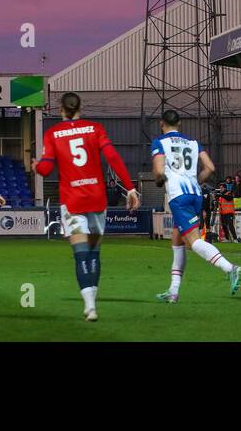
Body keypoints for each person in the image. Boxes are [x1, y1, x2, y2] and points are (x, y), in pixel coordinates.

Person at [33, 91, 141, 321]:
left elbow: (45, 170)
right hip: (96, 199)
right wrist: (130, 188)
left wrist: (35, 165)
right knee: (94, 253)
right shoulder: (95, 129)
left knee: (81, 254)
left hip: (73, 202)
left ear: (61, 109)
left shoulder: (53, 134)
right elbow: (113, 157)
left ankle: (90, 306)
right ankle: (93, 301)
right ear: (80, 108)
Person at [150, 109, 241, 303]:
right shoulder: (193, 143)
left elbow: (158, 171)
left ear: (161, 124)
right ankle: (173, 291)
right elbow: (210, 167)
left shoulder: (160, 142)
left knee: (193, 241)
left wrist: (160, 179)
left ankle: (230, 268)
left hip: (178, 196)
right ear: (180, 124)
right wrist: (196, 181)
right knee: (177, 241)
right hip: (195, 194)